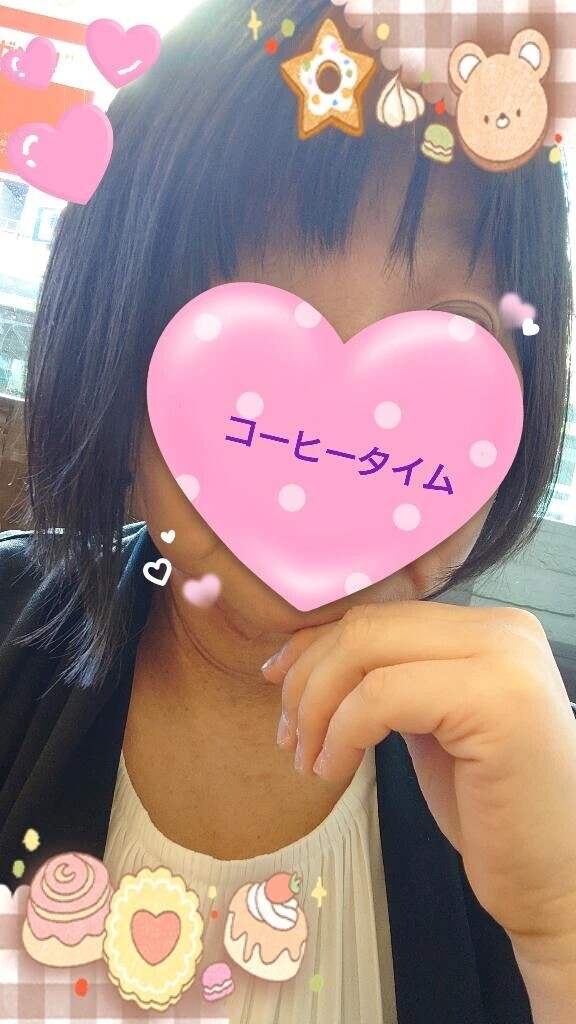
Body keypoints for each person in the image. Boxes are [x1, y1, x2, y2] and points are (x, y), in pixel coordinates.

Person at [1, 2, 576, 1022]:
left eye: (449, 334)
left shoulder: (536, 781)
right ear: (118, 336)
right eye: (246, 318)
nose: (336, 438)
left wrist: (561, 929)